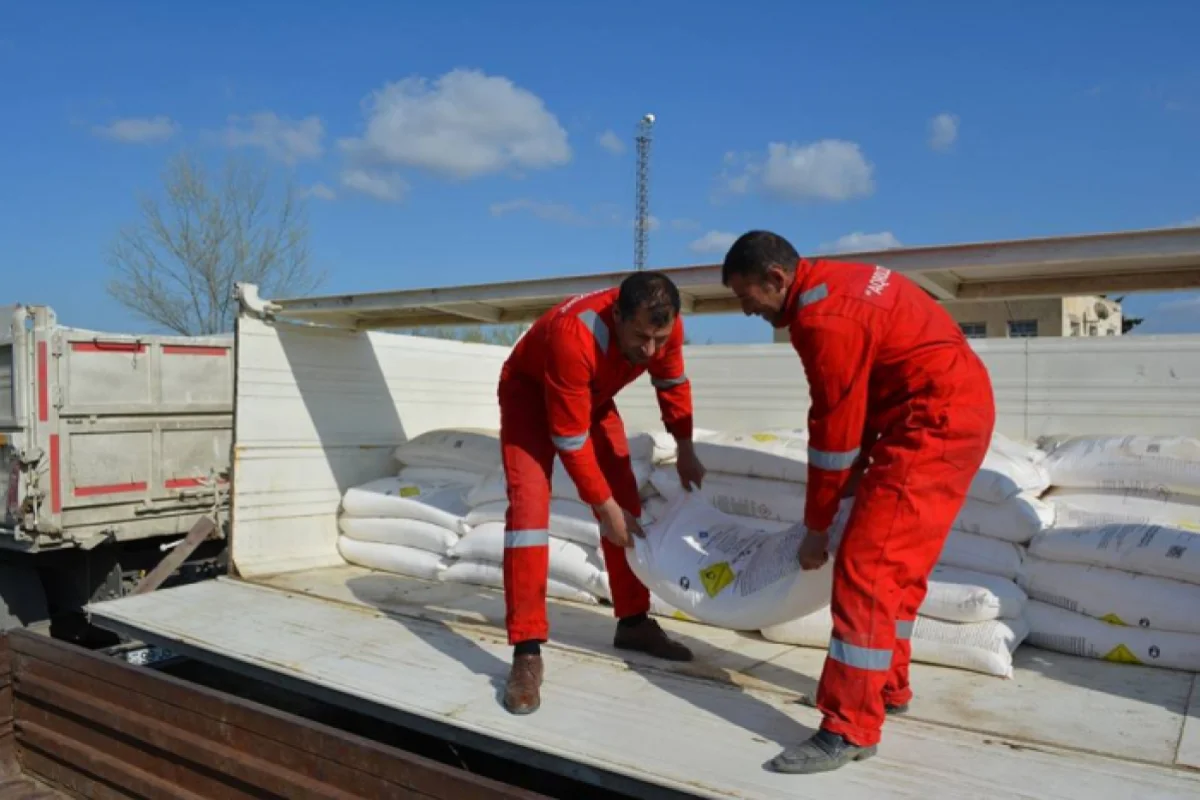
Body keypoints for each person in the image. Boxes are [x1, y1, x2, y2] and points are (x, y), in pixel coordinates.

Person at [720, 230, 996, 775]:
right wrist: (841, 494)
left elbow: (835, 431)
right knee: (897, 570)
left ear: (776, 278)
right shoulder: (835, 284)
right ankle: (885, 688)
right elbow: (862, 398)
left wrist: (817, 527)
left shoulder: (824, 319)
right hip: (944, 411)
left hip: (931, 423)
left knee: (868, 568)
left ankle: (849, 726)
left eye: (745, 295)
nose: (744, 308)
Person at [497, 270, 708, 715]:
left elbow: (670, 384)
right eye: (639, 337)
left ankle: (633, 622)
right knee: (530, 514)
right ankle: (526, 649)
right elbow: (569, 438)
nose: (649, 350)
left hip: (590, 398)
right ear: (616, 315)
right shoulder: (574, 336)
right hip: (530, 396)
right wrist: (601, 505)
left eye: (660, 337)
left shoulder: (664, 324)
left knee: (627, 505)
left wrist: (685, 446)